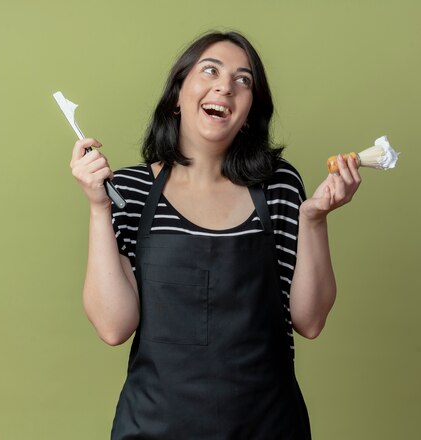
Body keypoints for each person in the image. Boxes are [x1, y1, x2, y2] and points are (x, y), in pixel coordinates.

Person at [70, 31, 361, 439]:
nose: (226, 85)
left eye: (243, 80)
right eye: (211, 70)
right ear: (178, 95)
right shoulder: (130, 191)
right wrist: (99, 208)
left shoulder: (278, 186)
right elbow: (114, 327)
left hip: (268, 427)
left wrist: (314, 219)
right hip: (154, 427)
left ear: (248, 112)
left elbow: (310, 321)